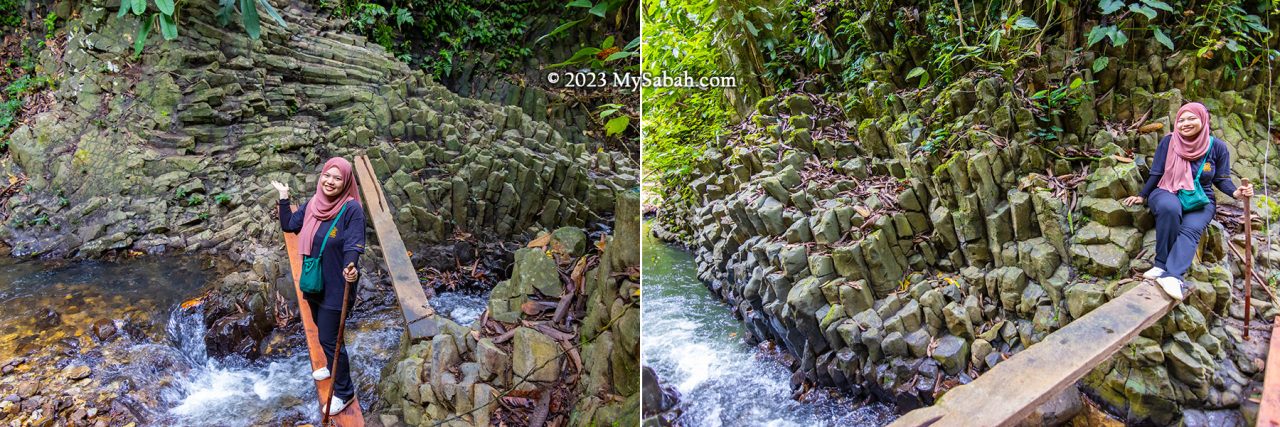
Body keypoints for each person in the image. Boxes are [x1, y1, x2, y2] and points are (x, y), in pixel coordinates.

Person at [1122, 102, 1253, 300]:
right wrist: (1142, 195)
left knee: (1191, 229)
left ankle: (1173, 276)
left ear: (1203, 119)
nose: (1185, 123)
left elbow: (1222, 179)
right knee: (1170, 208)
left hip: (1201, 197)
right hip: (1167, 189)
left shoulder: (1216, 147)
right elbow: (1157, 172)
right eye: (1181, 119)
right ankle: (1160, 265)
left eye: (1192, 118)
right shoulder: (1168, 142)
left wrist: (1236, 193)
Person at [272, 157, 367, 416]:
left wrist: (351, 265)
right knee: (321, 330)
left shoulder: (351, 210)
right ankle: (328, 364)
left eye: (337, 178)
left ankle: (345, 393)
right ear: (321, 175)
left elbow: (354, 243)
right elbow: (289, 225)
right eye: (328, 175)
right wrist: (283, 197)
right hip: (315, 283)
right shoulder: (314, 203)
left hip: (337, 285)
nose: (330, 182)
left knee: (332, 339)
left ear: (346, 182)